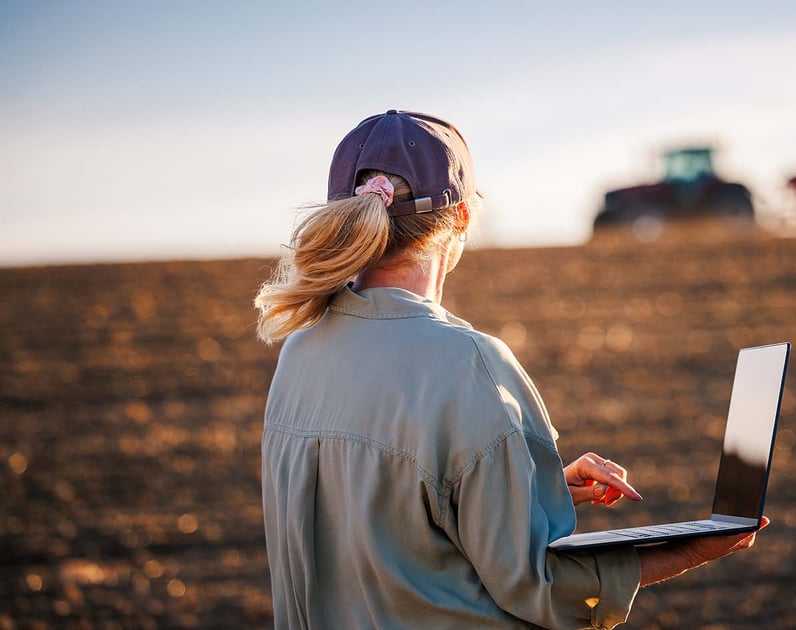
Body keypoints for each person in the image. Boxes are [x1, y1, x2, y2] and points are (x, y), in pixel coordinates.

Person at [254, 110, 767, 629]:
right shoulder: (468, 364)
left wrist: (523, 490)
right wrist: (692, 550)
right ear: (461, 219)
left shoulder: (300, 353)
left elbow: (378, 523)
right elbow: (544, 590)